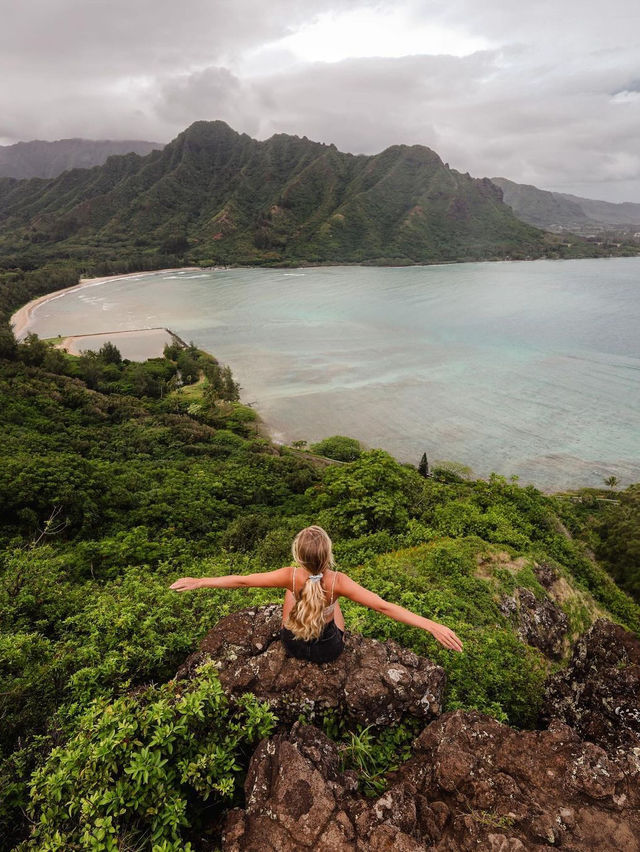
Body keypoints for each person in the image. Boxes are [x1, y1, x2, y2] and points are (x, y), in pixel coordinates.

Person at [170, 524, 463, 664]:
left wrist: (200, 581)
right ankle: (326, 622)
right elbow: (384, 607)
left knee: (291, 594)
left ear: (298, 555)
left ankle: (309, 619)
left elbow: (244, 581)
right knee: (334, 608)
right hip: (328, 650)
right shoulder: (338, 583)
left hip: (292, 645)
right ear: (328, 555)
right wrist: (432, 625)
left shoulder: (291, 575)